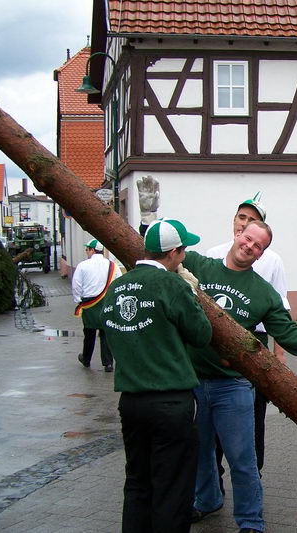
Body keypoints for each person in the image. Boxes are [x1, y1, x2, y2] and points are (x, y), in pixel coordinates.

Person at [137, 177, 297, 533]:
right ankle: (207, 500)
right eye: (247, 238)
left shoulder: (263, 293)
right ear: (238, 235)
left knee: (243, 459)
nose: (249, 247)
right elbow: (159, 254)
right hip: (192, 380)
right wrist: (150, 219)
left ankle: (251, 522)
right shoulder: (200, 264)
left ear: (262, 253)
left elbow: (288, 333)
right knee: (199, 455)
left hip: (233, 387)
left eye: (258, 247)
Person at [101, 218, 213, 533]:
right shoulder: (173, 285)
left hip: (131, 403)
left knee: (138, 482)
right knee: (172, 488)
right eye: (184, 250)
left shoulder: (118, 286)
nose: (185, 255)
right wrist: (191, 294)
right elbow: (201, 334)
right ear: (174, 253)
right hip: (170, 403)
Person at [203, 192, 287, 477]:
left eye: (252, 220)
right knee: (209, 419)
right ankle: (211, 479)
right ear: (234, 220)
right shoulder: (213, 254)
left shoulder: (272, 260)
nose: (244, 224)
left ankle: (253, 472)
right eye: (241, 217)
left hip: (254, 345)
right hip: (213, 346)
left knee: (252, 416)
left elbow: (281, 311)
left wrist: (278, 356)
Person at [72, 239, 121, 372]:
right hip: (106, 303)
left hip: (89, 304)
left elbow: (76, 285)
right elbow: (118, 283)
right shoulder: (112, 266)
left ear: (92, 250)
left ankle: (86, 359)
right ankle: (108, 363)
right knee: (106, 333)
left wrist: (78, 300)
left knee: (89, 333)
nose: (86, 252)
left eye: (87, 249)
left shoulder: (83, 265)